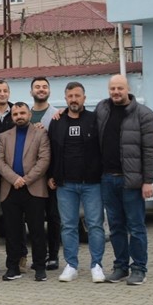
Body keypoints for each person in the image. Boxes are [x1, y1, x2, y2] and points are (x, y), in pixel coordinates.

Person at [96, 74, 153, 286]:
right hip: (107, 179)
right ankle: (120, 266)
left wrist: (148, 181)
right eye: (112, 88)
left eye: (120, 88)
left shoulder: (144, 115)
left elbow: (150, 150)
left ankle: (139, 268)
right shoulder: (102, 110)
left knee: (136, 226)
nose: (116, 92)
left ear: (128, 89)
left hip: (131, 182)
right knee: (115, 227)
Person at [48, 82, 106, 283]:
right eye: (70, 96)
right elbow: (51, 151)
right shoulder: (57, 121)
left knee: (95, 225)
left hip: (92, 183)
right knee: (68, 226)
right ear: (65, 98)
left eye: (77, 95)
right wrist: (51, 175)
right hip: (65, 184)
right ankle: (71, 265)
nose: (74, 99)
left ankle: (96, 265)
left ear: (84, 97)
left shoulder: (95, 120)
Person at [0, 103, 52, 281]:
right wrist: (14, 179)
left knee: (37, 230)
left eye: (22, 113)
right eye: (16, 113)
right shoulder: (4, 136)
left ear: (29, 114)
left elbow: (44, 160)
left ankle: (40, 267)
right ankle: (13, 267)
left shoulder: (40, 133)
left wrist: (26, 180)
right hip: (10, 190)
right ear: (12, 116)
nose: (19, 116)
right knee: (12, 231)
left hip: (33, 188)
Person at [29, 77, 63, 270]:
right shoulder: (25, 113)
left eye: (44, 87)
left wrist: (55, 175)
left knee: (53, 216)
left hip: (49, 177)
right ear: (31, 91)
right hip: (30, 177)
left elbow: (58, 148)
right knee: (34, 219)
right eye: (37, 87)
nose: (41, 90)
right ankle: (38, 256)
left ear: (49, 90)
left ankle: (53, 256)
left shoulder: (56, 115)